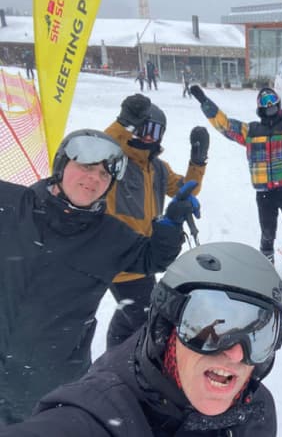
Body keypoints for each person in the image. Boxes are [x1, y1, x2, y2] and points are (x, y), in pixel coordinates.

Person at [0, 129, 198, 425]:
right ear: (61, 166)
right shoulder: (12, 206)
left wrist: (170, 224)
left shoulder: (110, 237)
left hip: (50, 392)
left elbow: (153, 257)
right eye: (86, 167)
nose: (94, 179)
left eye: (104, 175)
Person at [0, 242, 282, 436]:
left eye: (259, 335)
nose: (236, 354)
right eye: (208, 329)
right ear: (167, 329)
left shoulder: (256, 410)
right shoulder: (101, 414)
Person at [189, 53, 282, 276]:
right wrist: (205, 102)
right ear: (260, 107)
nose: (269, 104)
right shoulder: (251, 131)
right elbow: (224, 125)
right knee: (267, 231)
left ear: (278, 103)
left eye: (272, 100)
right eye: (264, 102)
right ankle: (267, 259)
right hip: (265, 193)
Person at [104, 94, 208, 348]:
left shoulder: (157, 167)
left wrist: (198, 160)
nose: (149, 136)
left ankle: (115, 347)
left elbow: (186, 189)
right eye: (144, 128)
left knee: (133, 310)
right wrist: (122, 122)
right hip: (122, 260)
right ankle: (131, 365)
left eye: (155, 131)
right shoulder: (115, 161)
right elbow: (99, 148)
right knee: (149, 318)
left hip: (145, 254)